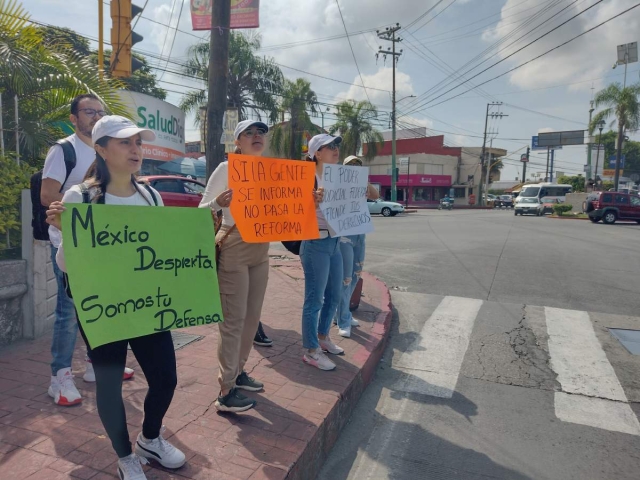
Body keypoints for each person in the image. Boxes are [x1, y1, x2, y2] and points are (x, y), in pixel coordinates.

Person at [46, 115, 186, 480]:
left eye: (138, 142)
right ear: (102, 149)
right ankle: (125, 456)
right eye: (125, 142)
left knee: (166, 379)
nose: (135, 149)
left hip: (146, 304)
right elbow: (65, 265)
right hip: (103, 309)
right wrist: (67, 233)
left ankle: (150, 439)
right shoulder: (81, 196)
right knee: (108, 385)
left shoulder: (151, 196)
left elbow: (162, 252)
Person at [41, 94, 134, 407]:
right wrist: (78, 201)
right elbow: (47, 195)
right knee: (69, 312)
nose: (95, 116)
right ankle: (60, 376)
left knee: (100, 304)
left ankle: (97, 364)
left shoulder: (106, 150)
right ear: (74, 118)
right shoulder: (63, 150)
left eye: (99, 111)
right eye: (88, 111)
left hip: (103, 245)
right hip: (69, 243)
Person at [199, 120, 274, 413]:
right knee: (233, 319)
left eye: (261, 133)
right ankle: (226, 388)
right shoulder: (226, 169)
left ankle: (239, 371)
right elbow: (201, 209)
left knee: (252, 318)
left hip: (262, 247)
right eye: (249, 133)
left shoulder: (272, 171)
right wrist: (217, 202)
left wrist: (309, 200)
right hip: (234, 242)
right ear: (238, 142)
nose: (257, 137)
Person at [300, 134, 345, 371]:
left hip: (335, 241)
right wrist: (313, 203)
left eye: (336, 146)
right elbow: (295, 212)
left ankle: (323, 337)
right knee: (315, 299)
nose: (335, 150)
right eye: (329, 147)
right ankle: (310, 350)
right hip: (315, 242)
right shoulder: (306, 178)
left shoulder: (340, 177)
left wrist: (363, 188)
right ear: (317, 152)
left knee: (334, 295)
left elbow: (366, 198)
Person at [335, 155, 379, 338]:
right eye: (350, 165)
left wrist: (364, 180)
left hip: (360, 232)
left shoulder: (363, 184)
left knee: (355, 274)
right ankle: (343, 319)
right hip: (344, 234)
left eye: (357, 165)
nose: (354, 168)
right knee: (345, 278)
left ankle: (342, 313)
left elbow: (375, 196)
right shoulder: (337, 183)